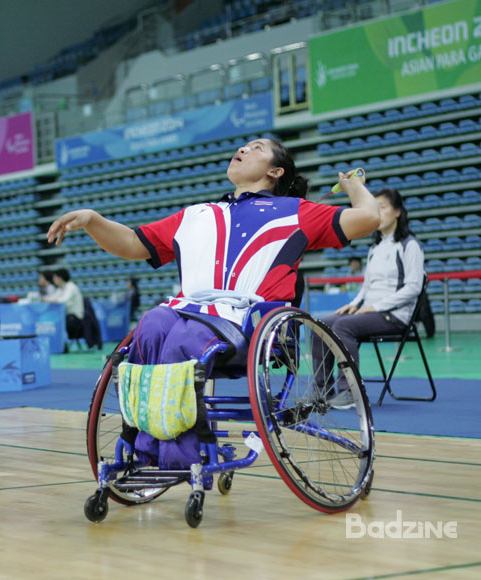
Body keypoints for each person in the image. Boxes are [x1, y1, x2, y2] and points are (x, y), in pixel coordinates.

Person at [47, 138, 380, 467]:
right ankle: (145, 447)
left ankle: (177, 458)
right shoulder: (197, 214)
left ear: (275, 171)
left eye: (258, 148)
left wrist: (354, 187)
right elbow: (133, 243)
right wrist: (93, 220)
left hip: (244, 322)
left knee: (183, 338)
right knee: (151, 325)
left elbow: (368, 218)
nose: (244, 149)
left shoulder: (296, 211)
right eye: (244, 146)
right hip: (187, 310)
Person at [313, 188, 424, 409]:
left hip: (395, 316)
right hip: (370, 312)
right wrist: (354, 304)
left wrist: (375, 307)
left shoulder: (409, 245)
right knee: (321, 325)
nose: (378, 213)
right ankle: (322, 391)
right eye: (375, 208)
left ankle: (350, 391)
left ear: (398, 212)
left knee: (343, 327)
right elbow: (367, 286)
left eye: (382, 208)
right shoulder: (375, 248)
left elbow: (414, 287)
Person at [44, 268, 85, 340]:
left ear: (60, 278)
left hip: (75, 319)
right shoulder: (60, 288)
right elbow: (52, 298)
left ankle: (60, 342)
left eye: (55, 277)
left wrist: (48, 300)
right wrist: (45, 299)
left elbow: (63, 300)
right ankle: (55, 342)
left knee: (56, 323)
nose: (53, 280)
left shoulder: (71, 286)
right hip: (66, 317)